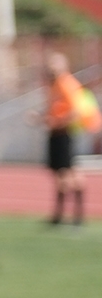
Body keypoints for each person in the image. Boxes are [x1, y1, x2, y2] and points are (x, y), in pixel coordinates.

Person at [43, 52, 88, 226]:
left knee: (67, 172)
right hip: (56, 132)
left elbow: (76, 110)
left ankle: (73, 215)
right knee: (61, 173)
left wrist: (58, 122)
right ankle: (61, 215)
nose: (50, 68)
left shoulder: (66, 84)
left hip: (64, 132)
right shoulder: (54, 85)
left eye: (54, 65)